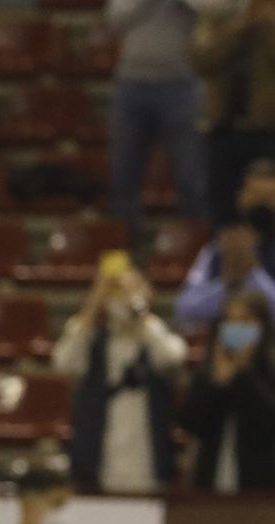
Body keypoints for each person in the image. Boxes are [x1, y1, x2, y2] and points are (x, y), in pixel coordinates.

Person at [53, 260, 187, 493]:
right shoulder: (94, 340)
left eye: (132, 288)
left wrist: (140, 313)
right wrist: (95, 301)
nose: (122, 297)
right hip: (98, 463)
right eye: (116, 292)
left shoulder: (153, 336)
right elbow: (63, 361)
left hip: (147, 464)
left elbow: (173, 356)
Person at [105, 0, 209, 237]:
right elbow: (114, 20)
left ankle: (194, 249)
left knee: (191, 176)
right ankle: (124, 249)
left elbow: (216, 10)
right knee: (123, 175)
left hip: (182, 84)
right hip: (132, 84)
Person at [180, 290, 275, 491]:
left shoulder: (269, 369)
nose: (237, 328)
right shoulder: (209, 371)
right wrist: (217, 383)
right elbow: (190, 423)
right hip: (210, 483)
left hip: (260, 490)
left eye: (245, 321)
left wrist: (244, 374)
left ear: (262, 325)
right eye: (230, 321)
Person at [194, 0, 275, 227]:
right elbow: (201, 60)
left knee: (266, 210)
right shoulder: (216, 13)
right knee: (223, 216)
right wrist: (239, 28)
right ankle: (227, 259)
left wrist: (268, 28)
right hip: (223, 128)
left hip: (266, 130)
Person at [175, 219, 275, 329]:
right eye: (230, 235)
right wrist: (226, 283)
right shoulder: (212, 255)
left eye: (242, 236)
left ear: (253, 237)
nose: (236, 242)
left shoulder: (266, 256)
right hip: (218, 336)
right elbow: (184, 308)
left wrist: (252, 272)